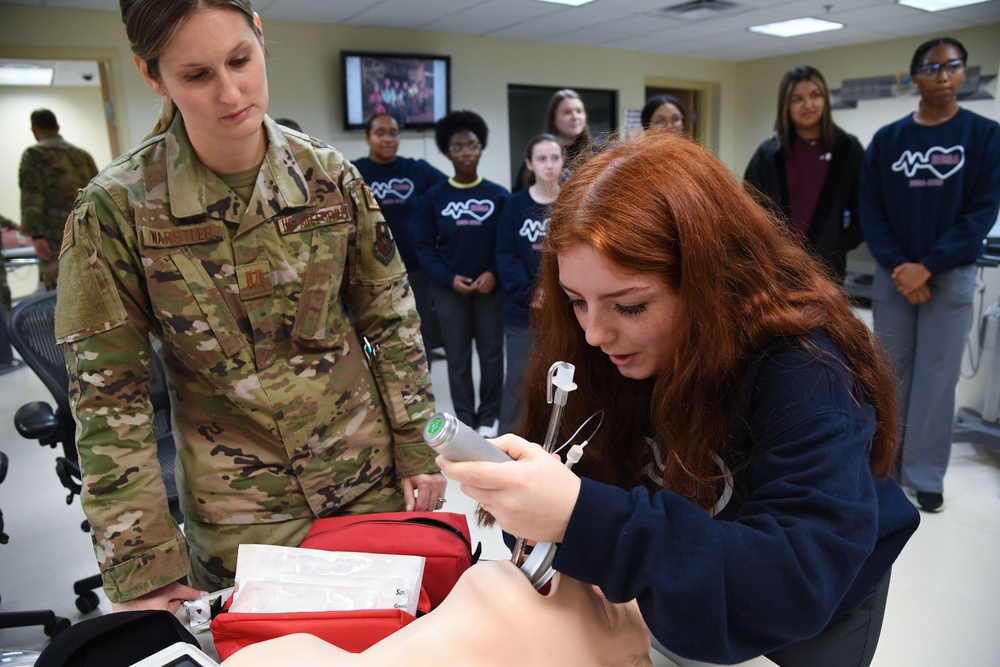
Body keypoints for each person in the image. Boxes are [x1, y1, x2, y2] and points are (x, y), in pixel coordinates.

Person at [439, 133, 920, 666]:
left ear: (711, 280)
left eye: (631, 307)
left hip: (814, 611)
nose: (595, 333)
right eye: (576, 301)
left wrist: (583, 518)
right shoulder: (594, 347)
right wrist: (530, 504)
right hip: (683, 588)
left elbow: (796, 579)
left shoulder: (806, 368)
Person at [54, 0, 446, 612]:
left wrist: (420, 449)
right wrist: (144, 564)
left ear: (260, 36)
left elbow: (391, 322)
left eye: (240, 60)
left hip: (365, 478)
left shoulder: (330, 178)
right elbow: (110, 403)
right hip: (243, 513)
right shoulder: (117, 211)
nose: (231, 91)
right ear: (151, 74)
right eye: (197, 75)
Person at [860, 37, 1000, 514]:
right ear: (914, 76)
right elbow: (871, 212)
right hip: (894, 272)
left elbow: (981, 212)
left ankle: (925, 476)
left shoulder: (985, 136)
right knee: (889, 374)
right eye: (932, 67)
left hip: (950, 274)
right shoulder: (889, 141)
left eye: (953, 66)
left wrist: (929, 265)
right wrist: (901, 266)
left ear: (964, 73)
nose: (943, 74)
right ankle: (887, 468)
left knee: (938, 380)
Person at [415, 110, 509, 438]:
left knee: (491, 355)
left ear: (481, 148)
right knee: (456, 359)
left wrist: (493, 274)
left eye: (472, 145)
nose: (466, 152)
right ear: (447, 151)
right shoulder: (434, 197)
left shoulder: (499, 196)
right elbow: (424, 247)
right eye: (458, 147)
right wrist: (447, 278)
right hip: (449, 289)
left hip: (490, 290)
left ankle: (490, 417)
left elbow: (507, 244)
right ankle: (466, 419)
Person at [744, 66, 864, 281]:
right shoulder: (768, 154)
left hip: (825, 273)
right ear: (786, 106)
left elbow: (864, 212)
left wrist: (837, 245)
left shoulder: (848, 150)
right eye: (797, 99)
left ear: (825, 99)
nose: (808, 105)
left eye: (815, 96)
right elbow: (747, 212)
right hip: (777, 272)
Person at [354, 113, 447, 360]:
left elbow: (448, 193)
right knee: (375, 331)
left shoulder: (416, 169)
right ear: (368, 138)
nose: (388, 139)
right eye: (380, 133)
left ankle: (420, 388)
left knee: (420, 328)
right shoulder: (355, 171)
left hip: (414, 268)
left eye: (393, 133)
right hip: (372, 270)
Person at [496, 134, 562, 434]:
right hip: (521, 311)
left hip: (564, 308)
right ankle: (508, 439)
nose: (549, 165)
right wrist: (530, 292)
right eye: (542, 159)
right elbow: (505, 253)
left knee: (558, 377)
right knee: (518, 378)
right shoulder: (514, 205)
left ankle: (550, 437)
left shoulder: (573, 200)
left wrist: (557, 292)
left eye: (555, 158)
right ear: (529, 164)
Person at [18, 108, 98, 291]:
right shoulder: (82, 155)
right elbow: (97, 193)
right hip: (87, 230)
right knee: (90, 283)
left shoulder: (34, 154)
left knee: (59, 290)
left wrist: (36, 235)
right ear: (57, 127)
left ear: (35, 129)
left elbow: (31, 195)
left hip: (55, 237)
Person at [513, 88, 591, 192]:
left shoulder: (597, 154)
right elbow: (522, 198)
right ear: (553, 118)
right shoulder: (538, 156)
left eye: (579, 111)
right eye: (567, 112)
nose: (575, 117)